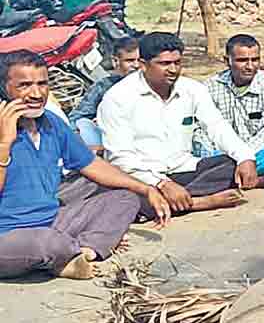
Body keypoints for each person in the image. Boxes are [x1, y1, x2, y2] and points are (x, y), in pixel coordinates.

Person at [0, 51, 169, 280]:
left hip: (52, 221)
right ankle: (70, 252)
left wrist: (146, 188)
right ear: (4, 88)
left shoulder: (50, 122)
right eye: (25, 85)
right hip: (8, 236)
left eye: (42, 84)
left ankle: (81, 253)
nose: (37, 94)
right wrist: (4, 144)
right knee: (44, 243)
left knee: (125, 198)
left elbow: (91, 164)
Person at [98, 33, 262, 219]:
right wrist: (161, 183)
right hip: (142, 177)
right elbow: (121, 158)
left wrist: (245, 158)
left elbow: (217, 127)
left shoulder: (192, 89)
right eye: (164, 64)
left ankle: (170, 203)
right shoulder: (117, 98)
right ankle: (197, 203)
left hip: (183, 169)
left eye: (177, 63)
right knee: (124, 197)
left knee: (230, 164)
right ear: (143, 64)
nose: (173, 70)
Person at [193, 34, 264, 186]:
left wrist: (243, 158)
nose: (250, 66)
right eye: (242, 60)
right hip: (218, 152)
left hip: (255, 151)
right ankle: (255, 180)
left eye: (255, 60)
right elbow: (201, 129)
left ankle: (218, 178)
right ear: (227, 61)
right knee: (198, 154)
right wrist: (217, 153)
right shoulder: (209, 87)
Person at [68, 36, 140, 151]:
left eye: (139, 60)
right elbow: (77, 116)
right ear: (115, 61)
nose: (136, 66)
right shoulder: (104, 86)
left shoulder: (152, 86)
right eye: (129, 61)